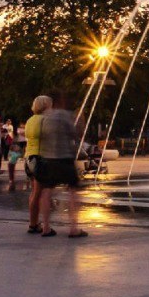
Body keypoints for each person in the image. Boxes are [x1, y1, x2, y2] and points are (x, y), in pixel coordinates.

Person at [36, 94, 87, 239]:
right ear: (62, 101)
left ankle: (45, 227)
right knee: (73, 191)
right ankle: (73, 228)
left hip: (48, 159)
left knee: (46, 191)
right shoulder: (66, 116)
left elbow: (40, 136)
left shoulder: (45, 117)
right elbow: (74, 135)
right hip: (65, 158)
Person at [24, 96, 49, 233]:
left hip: (29, 157)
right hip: (39, 157)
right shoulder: (44, 120)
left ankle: (34, 223)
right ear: (45, 106)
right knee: (40, 193)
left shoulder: (30, 120)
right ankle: (34, 225)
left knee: (34, 193)